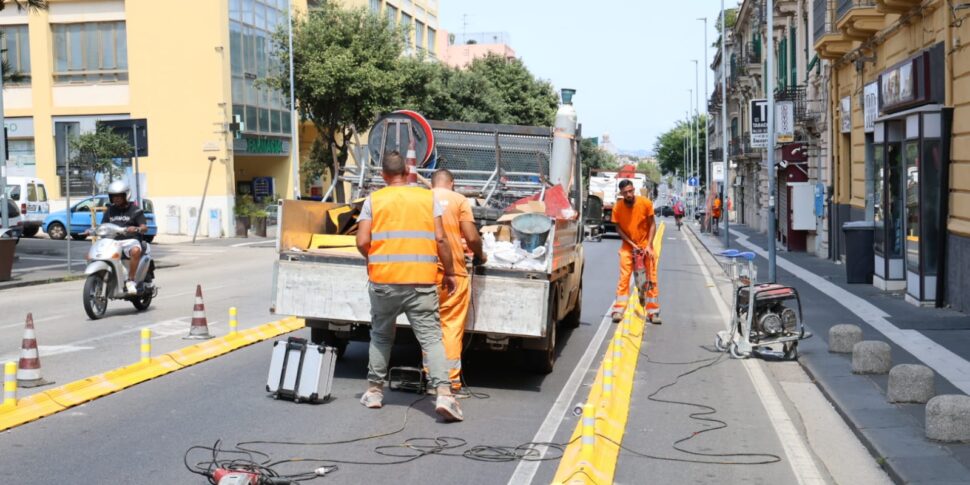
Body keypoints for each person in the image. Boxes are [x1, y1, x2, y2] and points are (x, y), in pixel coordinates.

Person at [355, 151, 464, 422]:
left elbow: (361, 241)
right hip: (421, 281)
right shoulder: (428, 198)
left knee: (381, 336)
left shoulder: (374, 199)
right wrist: (450, 272)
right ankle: (444, 394)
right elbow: (441, 240)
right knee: (431, 339)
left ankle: (374, 392)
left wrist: (375, 259)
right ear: (407, 172)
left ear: (383, 175)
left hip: (384, 281)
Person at [429, 169, 486, 397]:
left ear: (433, 183)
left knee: (429, 328)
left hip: (425, 272)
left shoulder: (422, 199)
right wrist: (481, 255)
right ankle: (451, 383)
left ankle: (432, 379)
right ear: (452, 183)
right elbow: (471, 238)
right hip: (453, 272)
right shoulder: (460, 200)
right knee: (451, 326)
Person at [611, 179, 659, 323]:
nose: (629, 194)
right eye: (625, 192)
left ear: (634, 189)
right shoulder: (617, 208)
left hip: (645, 245)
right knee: (624, 277)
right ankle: (618, 310)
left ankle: (653, 311)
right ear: (621, 193)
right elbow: (618, 228)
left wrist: (649, 246)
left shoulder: (645, 203)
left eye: (631, 191)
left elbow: (652, 225)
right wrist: (631, 244)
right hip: (628, 246)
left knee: (651, 278)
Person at [103, 181, 149, 295]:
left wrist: (137, 229)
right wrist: (91, 230)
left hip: (130, 240)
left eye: (119, 196)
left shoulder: (135, 210)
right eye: (114, 196)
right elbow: (103, 225)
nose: (116, 199)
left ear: (126, 195)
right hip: (113, 241)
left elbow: (144, 227)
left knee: (135, 251)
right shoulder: (109, 211)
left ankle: (131, 280)